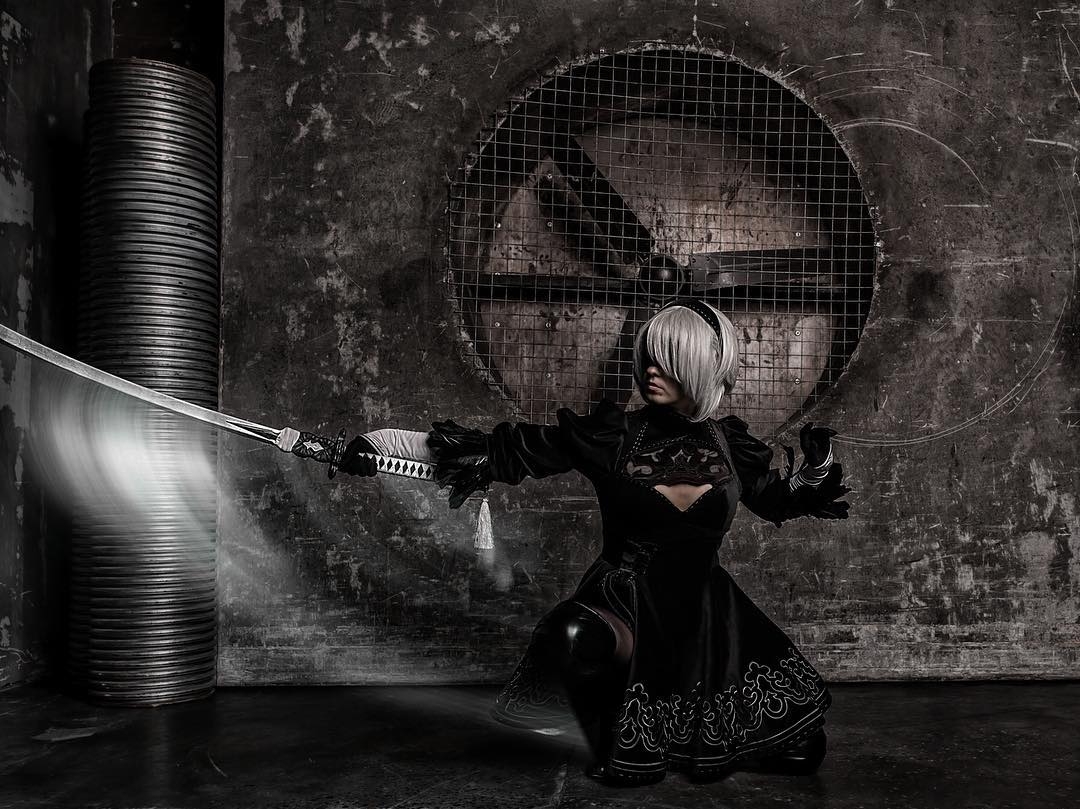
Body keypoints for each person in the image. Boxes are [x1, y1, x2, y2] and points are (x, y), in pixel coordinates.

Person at [317, 298, 849, 785]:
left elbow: (777, 500)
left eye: (667, 359)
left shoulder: (731, 444)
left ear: (702, 366)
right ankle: (609, 721)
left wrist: (817, 467)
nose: (650, 370)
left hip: (707, 616)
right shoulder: (612, 436)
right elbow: (498, 452)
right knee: (571, 637)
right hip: (625, 604)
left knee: (803, 752)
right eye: (648, 356)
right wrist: (376, 446)